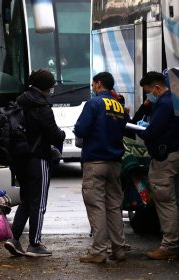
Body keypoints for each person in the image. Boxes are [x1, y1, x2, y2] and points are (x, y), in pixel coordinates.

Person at [4, 69, 66, 257]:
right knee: (38, 203)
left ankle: (14, 238)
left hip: (20, 159)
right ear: (47, 87)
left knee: (26, 200)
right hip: (38, 158)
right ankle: (35, 243)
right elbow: (54, 134)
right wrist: (62, 134)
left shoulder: (19, 102)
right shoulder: (42, 106)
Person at [74, 72, 129, 263]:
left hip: (95, 161)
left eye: (93, 84)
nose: (92, 87)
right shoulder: (119, 105)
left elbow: (80, 129)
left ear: (98, 84)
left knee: (96, 206)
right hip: (115, 162)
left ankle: (98, 251)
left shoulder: (94, 103)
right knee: (114, 206)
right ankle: (119, 249)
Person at [137, 71, 179, 260]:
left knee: (164, 200)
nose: (149, 96)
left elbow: (152, 133)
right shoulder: (175, 100)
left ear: (156, 87)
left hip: (165, 158)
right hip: (174, 154)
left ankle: (170, 245)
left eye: (148, 92)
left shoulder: (165, 103)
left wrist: (142, 130)